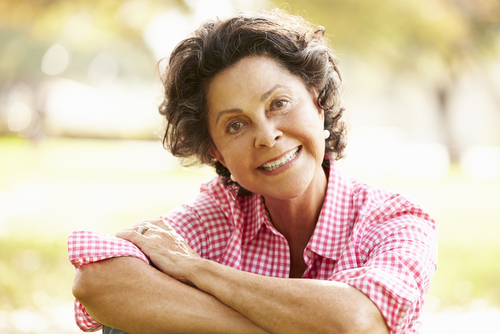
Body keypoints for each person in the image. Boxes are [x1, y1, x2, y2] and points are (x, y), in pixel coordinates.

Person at [69, 9, 438, 334]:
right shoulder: (219, 214)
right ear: (217, 153)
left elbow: (358, 322)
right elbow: (97, 282)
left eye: (279, 103)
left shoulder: (395, 219)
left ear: (318, 103)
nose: (266, 135)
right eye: (235, 125)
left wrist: (195, 270)